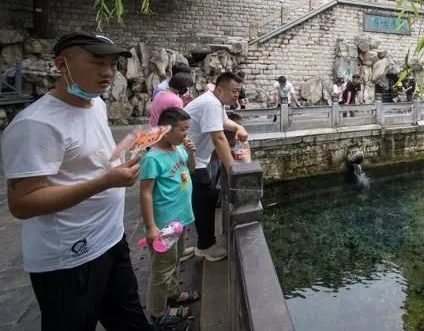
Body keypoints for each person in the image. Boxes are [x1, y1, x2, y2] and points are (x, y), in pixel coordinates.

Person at [1, 32, 150, 330]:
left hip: (111, 238)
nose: (108, 72)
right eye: (97, 62)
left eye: (112, 64)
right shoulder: (36, 124)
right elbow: (22, 203)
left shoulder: (96, 104)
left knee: (131, 322)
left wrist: (126, 157)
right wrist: (105, 182)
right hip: (69, 257)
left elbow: (91, 159)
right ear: (61, 64)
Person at [139, 108, 200, 328]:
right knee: (162, 269)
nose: (186, 133)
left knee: (174, 260)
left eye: (187, 129)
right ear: (166, 129)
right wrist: (150, 227)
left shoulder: (179, 149)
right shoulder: (153, 158)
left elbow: (189, 170)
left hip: (180, 219)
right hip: (164, 224)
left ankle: (172, 294)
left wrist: (191, 153)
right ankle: (157, 313)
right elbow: (145, 193)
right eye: (183, 129)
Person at [184, 71, 248, 262]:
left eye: (239, 91)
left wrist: (238, 127)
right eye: (234, 91)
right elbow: (218, 137)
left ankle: (191, 246)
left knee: (201, 197)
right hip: (188, 159)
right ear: (220, 89)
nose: (237, 95)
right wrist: (232, 169)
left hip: (193, 158)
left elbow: (223, 121)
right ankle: (206, 246)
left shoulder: (214, 101)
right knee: (206, 197)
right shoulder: (211, 103)